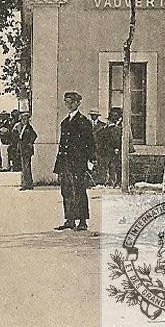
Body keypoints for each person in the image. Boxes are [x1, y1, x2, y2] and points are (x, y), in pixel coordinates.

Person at [54, 91, 96, 231]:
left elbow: (90, 143)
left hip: (78, 162)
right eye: (66, 102)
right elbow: (62, 144)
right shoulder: (65, 123)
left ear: (78, 103)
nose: (69, 104)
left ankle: (82, 221)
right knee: (66, 190)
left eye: (71, 102)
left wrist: (91, 159)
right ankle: (70, 219)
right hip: (65, 162)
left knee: (79, 190)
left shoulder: (84, 122)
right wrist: (59, 164)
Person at [17, 112, 38, 190]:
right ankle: (27, 184)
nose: (23, 121)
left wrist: (30, 143)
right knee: (24, 167)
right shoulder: (23, 127)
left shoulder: (28, 128)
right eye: (22, 119)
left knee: (26, 167)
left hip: (27, 150)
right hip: (23, 149)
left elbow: (34, 135)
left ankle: (26, 184)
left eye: (25, 119)